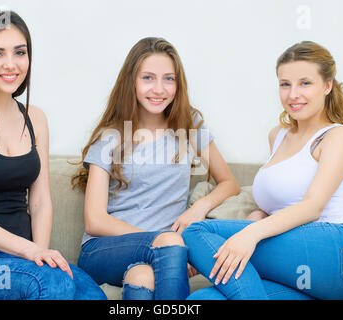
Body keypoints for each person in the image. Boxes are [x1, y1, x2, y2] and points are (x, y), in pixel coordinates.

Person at [0, 10, 106, 300]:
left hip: (25, 256)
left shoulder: (35, 118)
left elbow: (40, 202)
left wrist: (40, 255)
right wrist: (33, 253)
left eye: (20, 52)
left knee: (90, 294)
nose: (10, 64)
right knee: (53, 284)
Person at [182, 41, 343, 300]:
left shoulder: (337, 136)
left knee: (196, 232)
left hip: (341, 249)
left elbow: (312, 207)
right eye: (285, 84)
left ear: (327, 86)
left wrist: (248, 234)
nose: (293, 94)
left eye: (305, 83)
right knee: (203, 299)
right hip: (302, 273)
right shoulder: (277, 136)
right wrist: (257, 216)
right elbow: (281, 199)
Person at [72, 37, 240, 300]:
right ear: (132, 82)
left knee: (143, 277)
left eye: (169, 79)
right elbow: (95, 220)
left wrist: (198, 208)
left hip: (161, 254)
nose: (159, 89)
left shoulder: (190, 125)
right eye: (148, 78)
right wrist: (162, 242)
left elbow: (229, 183)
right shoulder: (111, 136)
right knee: (170, 243)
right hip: (104, 250)